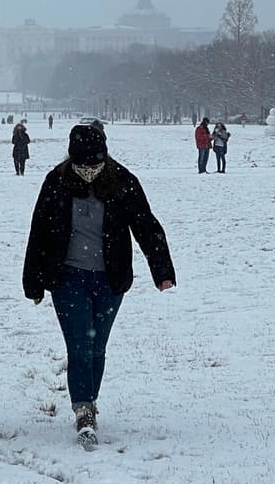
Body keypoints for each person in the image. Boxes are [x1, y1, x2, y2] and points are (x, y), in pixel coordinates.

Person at [22, 126, 175, 449]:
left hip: (110, 278)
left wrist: (161, 269)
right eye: (82, 163)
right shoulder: (56, 182)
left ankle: (90, 398)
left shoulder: (123, 182)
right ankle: (83, 409)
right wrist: (33, 281)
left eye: (94, 163)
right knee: (79, 345)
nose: (89, 170)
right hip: (68, 278)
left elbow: (146, 225)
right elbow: (39, 232)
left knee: (97, 346)